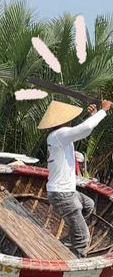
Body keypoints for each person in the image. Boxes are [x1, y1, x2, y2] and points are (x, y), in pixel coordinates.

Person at [39, 98, 112, 257]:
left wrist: (93, 115)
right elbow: (84, 128)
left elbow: (84, 130)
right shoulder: (59, 134)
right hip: (62, 194)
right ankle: (75, 261)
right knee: (83, 237)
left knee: (89, 205)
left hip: (65, 192)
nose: (71, 120)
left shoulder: (57, 136)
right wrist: (103, 110)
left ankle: (68, 241)